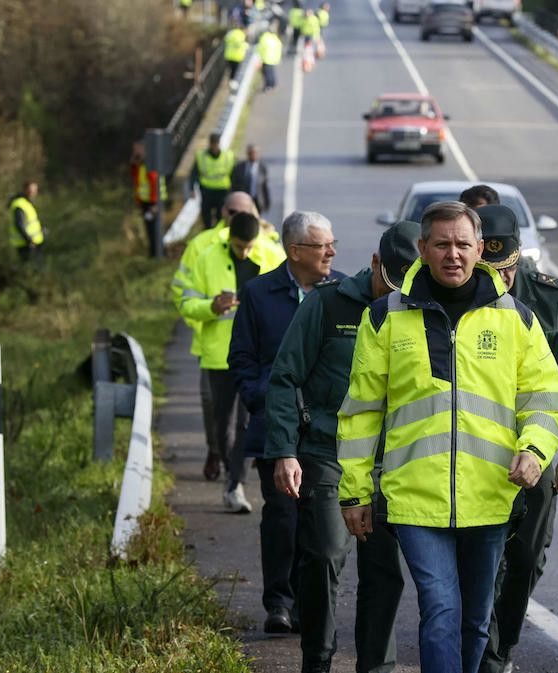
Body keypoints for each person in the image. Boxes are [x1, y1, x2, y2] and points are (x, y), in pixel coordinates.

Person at [338, 201, 558, 673]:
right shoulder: (384, 317)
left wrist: (535, 450)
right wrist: (355, 491)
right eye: (441, 244)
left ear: (480, 249)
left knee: (476, 620)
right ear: (423, 248)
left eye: (463, 244)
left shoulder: (517, 319)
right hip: (414, 498)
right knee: (441, 610)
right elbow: (361, 413)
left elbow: (545, 400)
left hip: (490, 494)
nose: (453, 254)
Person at [266, 221, 420, 673]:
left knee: (384, 571)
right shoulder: (327, 304)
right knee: (325, 555)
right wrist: (284, 450)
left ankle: (376, 666)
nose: (399, 293)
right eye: (393, 281)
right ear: (375, 264)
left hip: (390, 462)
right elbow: (285, 377)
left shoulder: (420, 311)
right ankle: (317, 658)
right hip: (327, 453)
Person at [472, 205, 558, 673]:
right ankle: (486, 651)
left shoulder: (548, 298)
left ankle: (502, 642)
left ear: (519, 259)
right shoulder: (457, 296)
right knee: (484, 558)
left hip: (537, 447)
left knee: (526, 557)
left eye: (507, 268)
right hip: (476, 447)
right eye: (490, 269)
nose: (499, 276)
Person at [229, 211, 342, 634]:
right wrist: (261, 398)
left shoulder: (343, 291)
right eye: (322, 245)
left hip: (328, 433)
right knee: (282, 515)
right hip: (275, 428)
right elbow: (240, 356)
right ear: (295, 251)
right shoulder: (259, 293)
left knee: (319, 522)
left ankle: (309, 602)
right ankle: (279, 602)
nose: (331, 251)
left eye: (332, 244)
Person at [171, 192, 279, 481]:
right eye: (231, 211)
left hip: (257, 353)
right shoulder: (203, 247)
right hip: (216, 350)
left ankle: (237, 476)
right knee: (218, 414)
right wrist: (209, 312)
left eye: (243, 212)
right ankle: (217, 452)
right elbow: (183, 295)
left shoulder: (270, 250)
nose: (235, 216)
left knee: (249, 414)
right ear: (223, 213)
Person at [130, 142, 168, 258]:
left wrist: (155, 204)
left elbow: (153, 183)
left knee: (155, 228)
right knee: (149, 228)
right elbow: (136, 178)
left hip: (154, 202)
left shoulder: (149, 164)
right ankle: (154, 253)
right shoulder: (140, 164)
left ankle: (160, 253)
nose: (136, 152)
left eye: (138, 149)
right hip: (145, 201)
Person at [190, 133, 235, 229]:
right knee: (206, 214)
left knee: (221, 214)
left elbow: (233, 174)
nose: (214, 146)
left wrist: (233, 190)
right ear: (209, 144)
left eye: (216, 143)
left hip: (222, 190)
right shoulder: (201, 156)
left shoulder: (228, 156)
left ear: (219, 144)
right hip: (207, 190)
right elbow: (194, 173)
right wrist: (192, 189)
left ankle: (218, 232)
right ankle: (208, 232)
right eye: (212, 143)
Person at [8, 181, 45, 266]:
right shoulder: (20, 204)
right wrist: (29, 240)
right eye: (31, 190)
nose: (34, 193)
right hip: (26, 245)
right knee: (30, 270)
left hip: (34, 243)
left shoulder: (27, 203)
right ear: (25, 190)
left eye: (35, 190)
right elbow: (19, 224)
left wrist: (41, 231)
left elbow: (31, 223)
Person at [231, 144, 270, 216]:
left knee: (257, 220)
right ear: (248, 154)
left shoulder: (262, 168)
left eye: (255, 153)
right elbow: (234, 184)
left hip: (257, 200)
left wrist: (267, 202)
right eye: (251, 153)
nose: (253, 155)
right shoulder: (239, 167)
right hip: (243, 199)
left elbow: (265, 186)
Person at [224, 20, 249, 90]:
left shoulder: (231, 33)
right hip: (237, 56)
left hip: (228, 55)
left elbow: (226, 39)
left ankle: (230, 82)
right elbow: (240, 44)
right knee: (235, 71)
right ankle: (232, 83)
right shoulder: (241, 35)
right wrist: (246, 45)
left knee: (231, 69)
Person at [257, 25, 283, 92]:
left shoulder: (264, 38)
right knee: (271, 72)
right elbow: (279, 48)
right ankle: (273, 84)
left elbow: (260, 48)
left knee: (267, 73)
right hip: (274, 59)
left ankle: (268, 86)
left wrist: (259, 58)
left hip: (266, 58)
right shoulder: (275, 38)